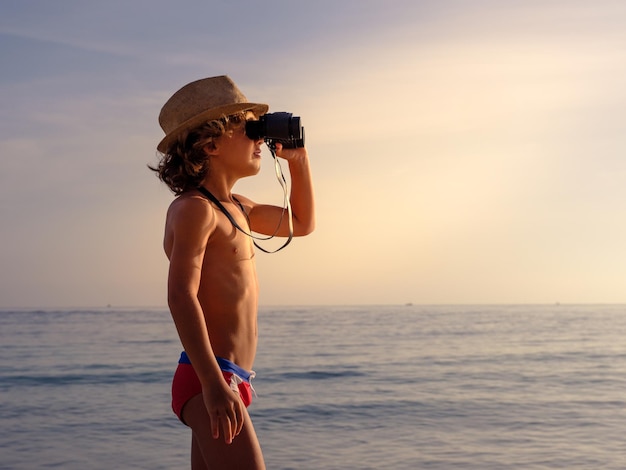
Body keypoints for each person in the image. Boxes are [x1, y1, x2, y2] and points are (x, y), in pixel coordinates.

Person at [151, 75, 315, 469]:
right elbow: (180, 296)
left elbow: (303, 222)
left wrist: (299, 162)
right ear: (211, 144)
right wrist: (211, 383)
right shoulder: (196, 209)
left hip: (229, 377)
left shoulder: (238, 207)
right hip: (209, 374)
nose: (259, 138)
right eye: (248, 129)